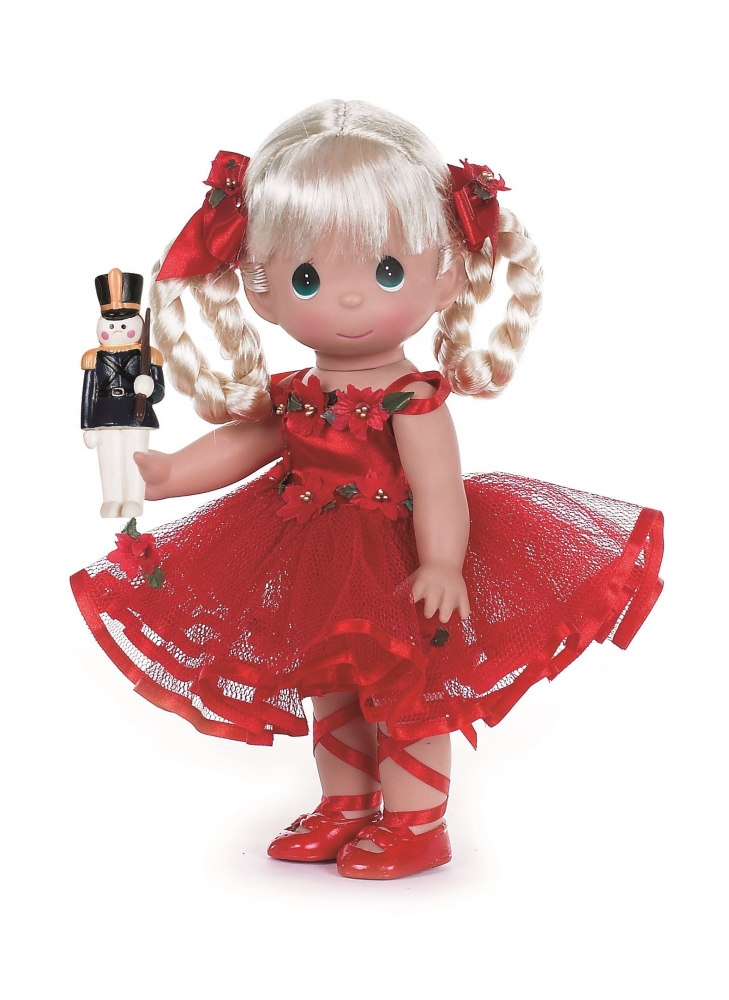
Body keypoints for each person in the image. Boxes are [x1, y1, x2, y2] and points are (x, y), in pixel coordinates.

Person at [70, 100, 664, 880]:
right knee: (328, 682)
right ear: (260, 291)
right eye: (308, 277)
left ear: (445, 274)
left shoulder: (410, 398)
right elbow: (247, 444)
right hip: (310, 552)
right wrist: (170, 471)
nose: (349, 300)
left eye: (386, 272)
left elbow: (439, 485)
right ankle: (344, 802)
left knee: (406, 689)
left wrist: (442, 562)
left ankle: (416, 820)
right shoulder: (297, 392)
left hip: (397, 558)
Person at [81, 269, 165, 517]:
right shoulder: (93, 357)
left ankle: (133, 499)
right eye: (111, 324)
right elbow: (88, 393)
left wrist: (150, 388)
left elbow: (159, 392)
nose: (117, 329)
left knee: (134, 457)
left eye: (124, 324)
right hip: (104, 414)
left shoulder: (149, 356)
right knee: (108, 459)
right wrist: (87, 425)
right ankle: (111, 499)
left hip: (135, 414)